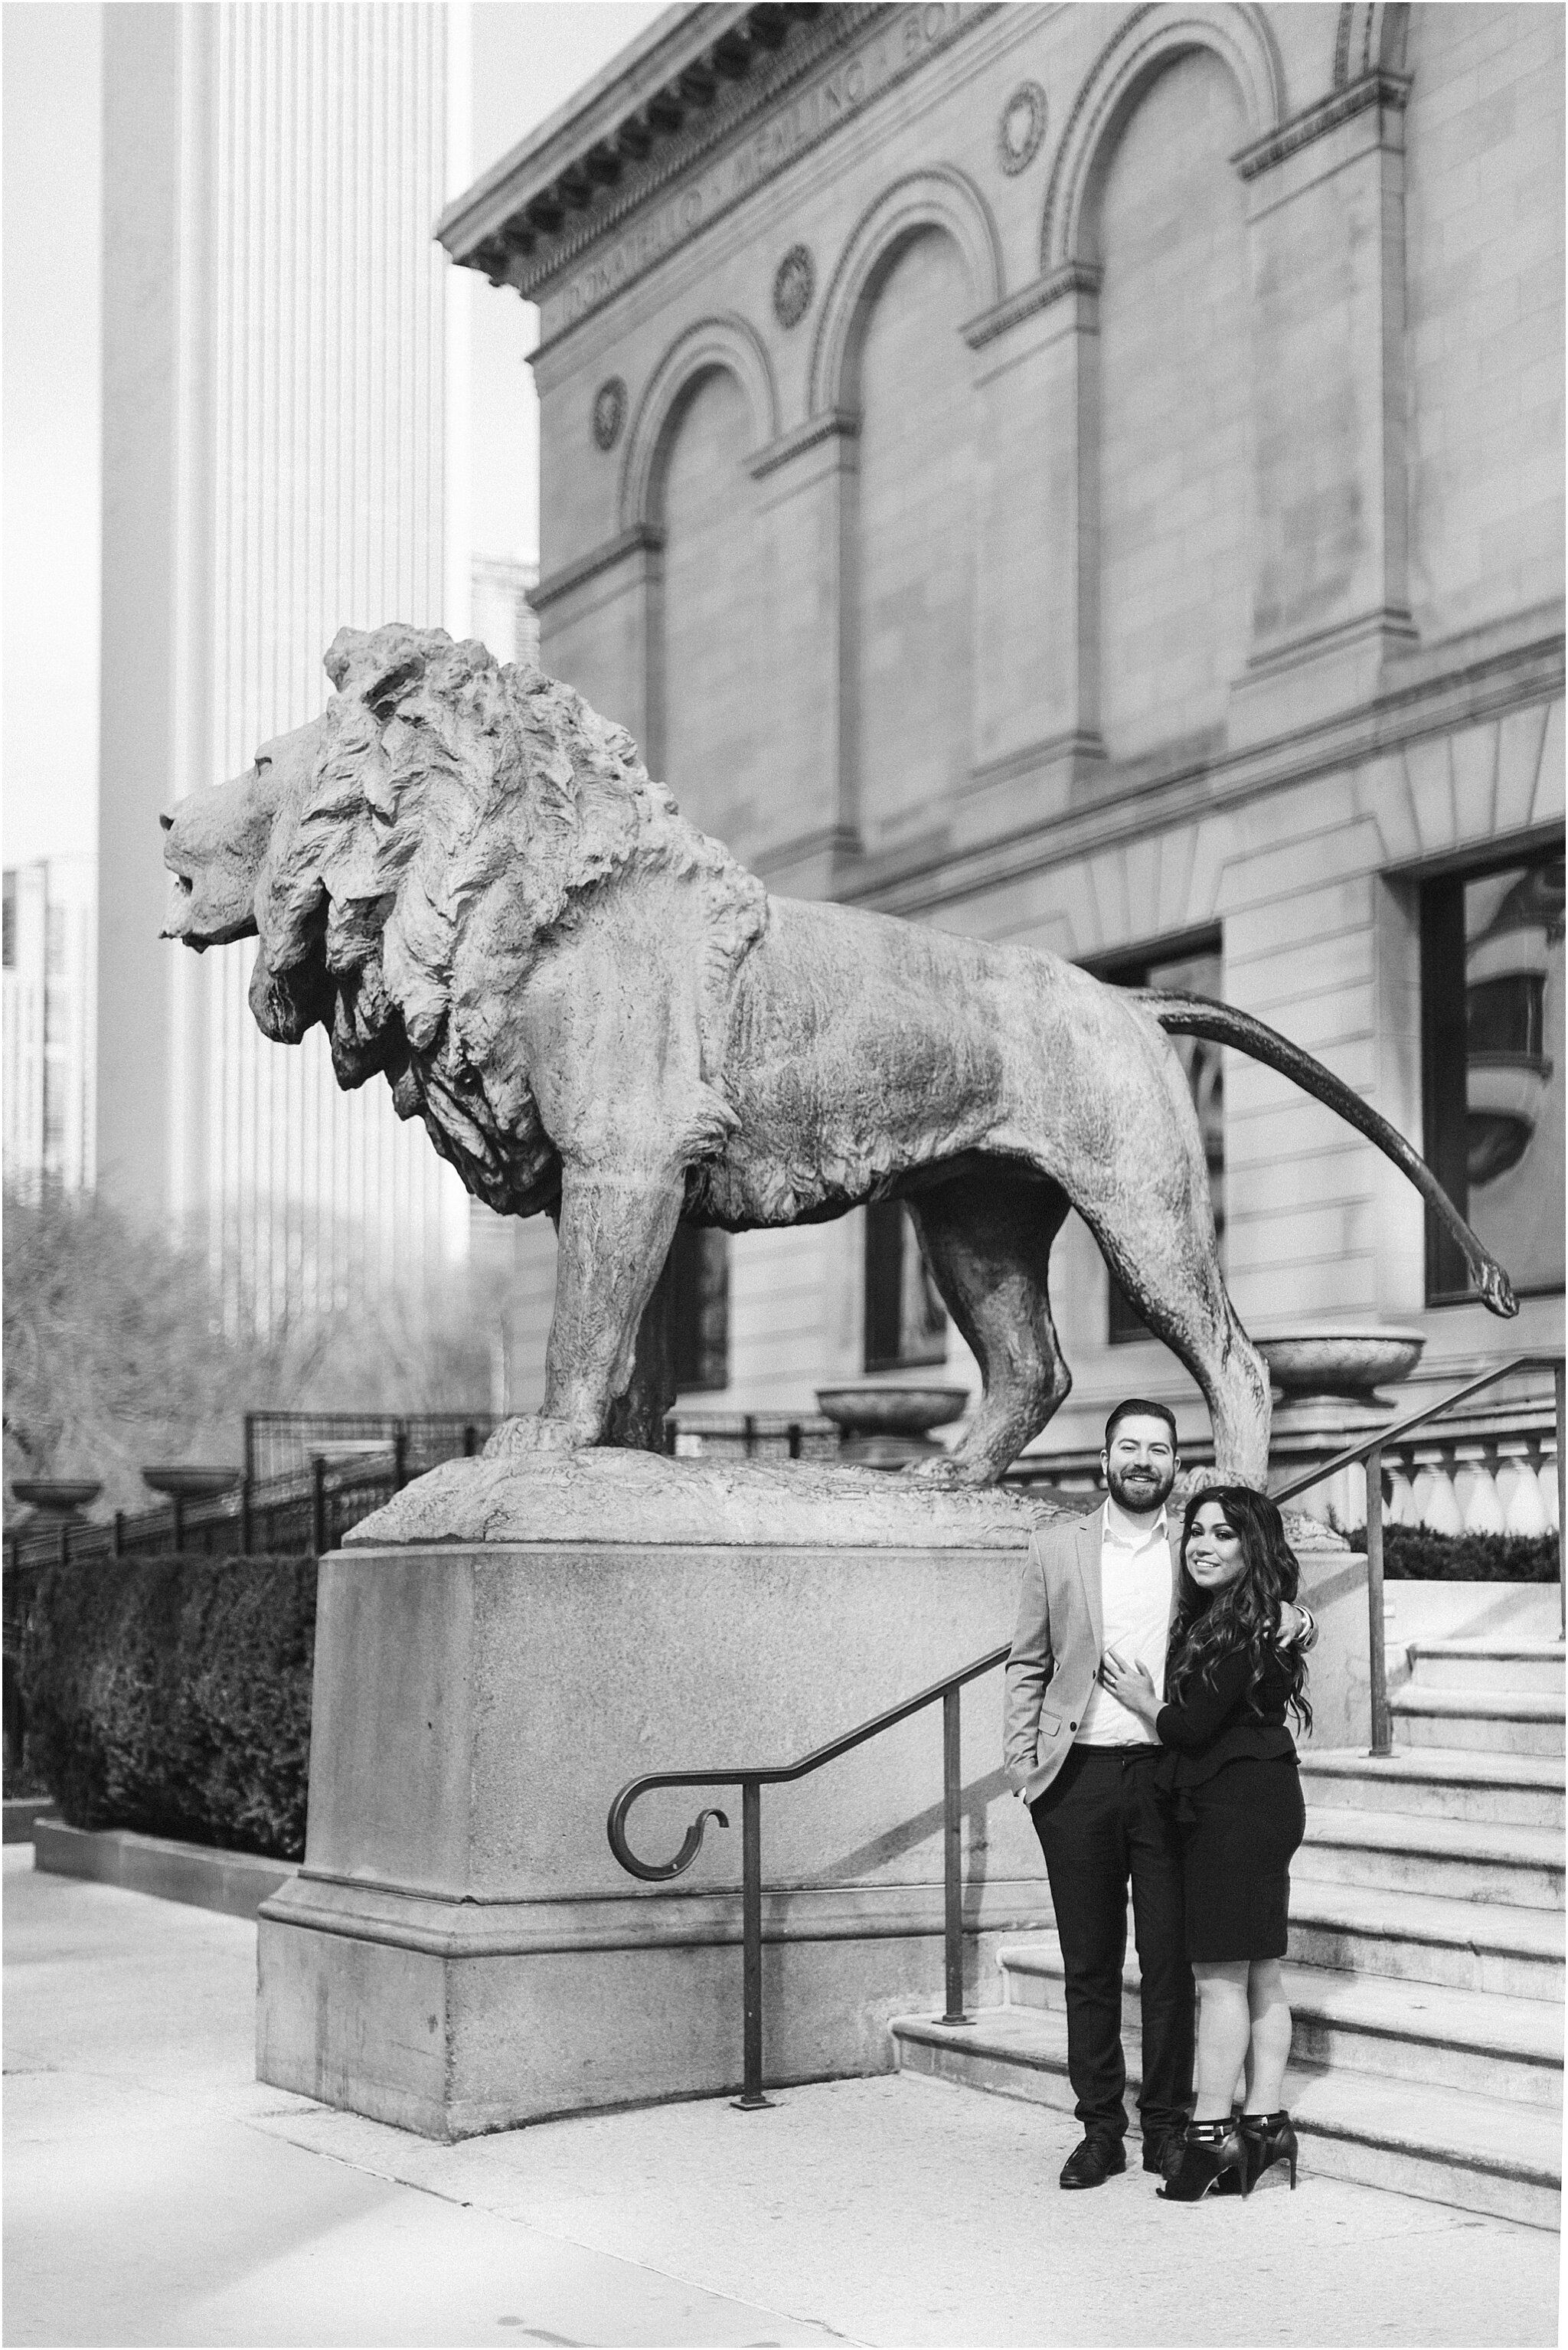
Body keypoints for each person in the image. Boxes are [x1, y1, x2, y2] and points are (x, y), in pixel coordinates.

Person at [1004, 1403, 1312, 2191]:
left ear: (1175, 1462)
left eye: (1158, 1449)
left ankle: (1169, 2129)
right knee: (1088, 1964)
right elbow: (1027, 1663)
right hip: (1074, 1777)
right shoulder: (1054, 1547)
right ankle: (1099, 2129)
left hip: (1171, 1778)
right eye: (1128, 1447)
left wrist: (1298, 1618)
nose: (1142, 1459)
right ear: (1104, 1458)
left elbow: (1259, 1588)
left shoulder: (1193, 1541)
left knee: (1173, 1963)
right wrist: (1024, 1769)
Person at [1099, 1485, 1312, 2202]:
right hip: (1253, 1799)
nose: (1203, 1544)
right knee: (1258, 1973)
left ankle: (1210, 2136)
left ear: (1253, 1545)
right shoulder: (1241, 1617)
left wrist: (1143, 1703)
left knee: (1221, 1975)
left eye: (1224, 1534)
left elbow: (1188, 1727)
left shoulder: (1251, 1622)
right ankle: (1265, 2124)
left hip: (1237, 1809)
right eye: (1196, 1532)